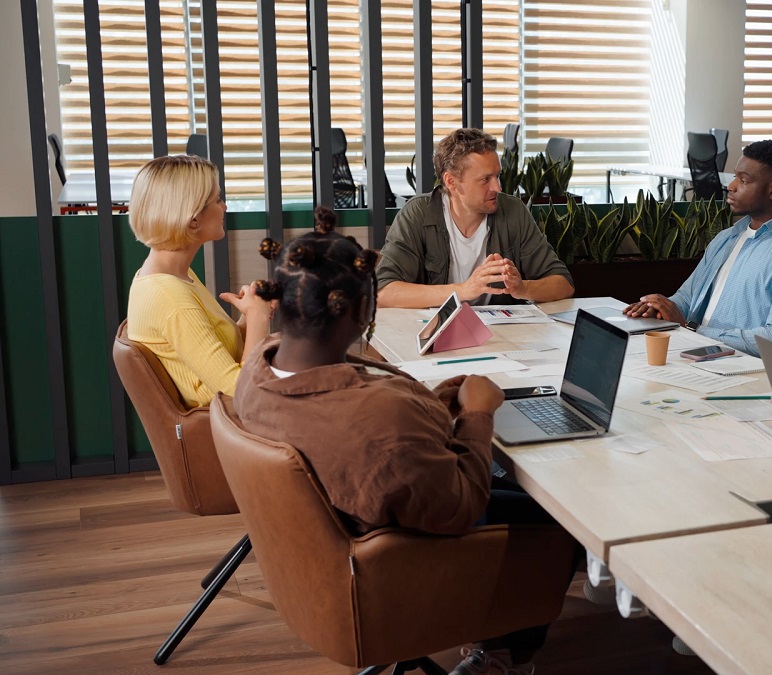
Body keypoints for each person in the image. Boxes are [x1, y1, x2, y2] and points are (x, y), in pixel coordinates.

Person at [235, 207, 571, 675]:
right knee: (557, 516)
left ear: (281, 304)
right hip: (401, 565)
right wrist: (476, 414)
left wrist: (436, 403)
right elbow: (460, 504)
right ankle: (503, 658)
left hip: (340, 546)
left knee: (521, 489)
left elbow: (386, 434)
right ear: (362, 312)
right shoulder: (379, 417)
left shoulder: (256, 375)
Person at [623, 139, 772, 357]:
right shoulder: (727, 237)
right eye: (734, 177)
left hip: (741, 368)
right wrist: (659, 306)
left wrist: (692, 329)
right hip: (693, 351)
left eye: (743, 180)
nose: (731, 186)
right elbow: (686, 297)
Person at [125, 154, 275, 408]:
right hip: (232, 422)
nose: (224, 206)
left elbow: (216, 357)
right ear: (193, 219)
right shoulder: (170, 297)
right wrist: (259, 317)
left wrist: (249, 316)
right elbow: (242, 391)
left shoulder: (172, 275)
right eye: (217, 199)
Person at [376, 128, 574, 308]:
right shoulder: (418, 213)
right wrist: (463, 290)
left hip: (500, 337)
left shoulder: (513, 210)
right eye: (485, 179)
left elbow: (563, 284)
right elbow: (384, 292)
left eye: (497, 176)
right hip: (437, 336)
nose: (498, 188)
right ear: (452, 182)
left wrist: (522, 288)